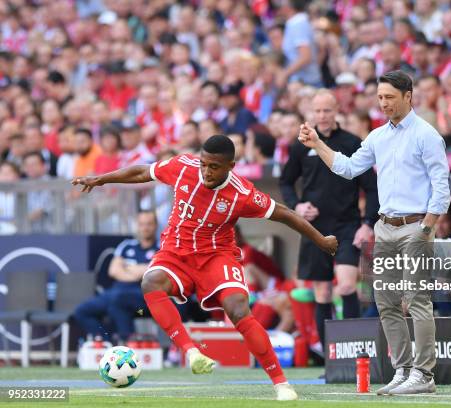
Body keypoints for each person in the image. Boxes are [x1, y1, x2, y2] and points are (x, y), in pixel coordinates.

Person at [72, 135, 338, 401]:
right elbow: (144, 171)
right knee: (151, 282)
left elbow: (285, 213)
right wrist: (101, 179)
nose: (206, 172)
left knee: (238, 309)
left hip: (216, 256)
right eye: (203, 164)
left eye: (214, 167)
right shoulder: (183, 167)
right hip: (176, 252)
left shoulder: (243, 194)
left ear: (230, 166)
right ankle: (191, 351)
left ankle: (281, 383)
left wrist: (321, 240)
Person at [298, 70, 451, 395]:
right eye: (380, 98)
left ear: (408, 97)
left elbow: (442, 184)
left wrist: (428, 226)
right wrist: (317, 144)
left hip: (415, 227)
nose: (383, 104)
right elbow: (348, 168)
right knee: (386, 301)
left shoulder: (427, 135)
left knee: (417, 300)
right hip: (386, 228)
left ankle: (424, 375)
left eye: (389, 98)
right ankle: (403, 369)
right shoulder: (378, 136)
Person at [279, 89, 379, 346]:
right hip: (314, 228)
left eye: (327, 110)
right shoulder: (301, 144)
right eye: (318, 110)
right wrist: (297, 206)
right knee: (322, 293)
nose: (322, 115)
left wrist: (367, 224)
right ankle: (330, 358)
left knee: (346, 286)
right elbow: (286, 182)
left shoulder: (353, 142)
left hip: (347, 224)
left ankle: (356, 350)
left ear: (337, 111)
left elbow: (371, 186)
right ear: (311, 112)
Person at [73, 211, 159, 341]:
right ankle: (108, 342)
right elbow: (113, 271)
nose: (145, 228)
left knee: (118, 302)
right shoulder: (126, 246)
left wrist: (127, 269)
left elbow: (153, 274)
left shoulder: (161, 248)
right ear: (137, 225)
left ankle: (130, 346)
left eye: (149, 224)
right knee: (82, 311)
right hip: (115, 293)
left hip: (141, 301)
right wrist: (139, 271)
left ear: (156, 225)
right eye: (142, 224)